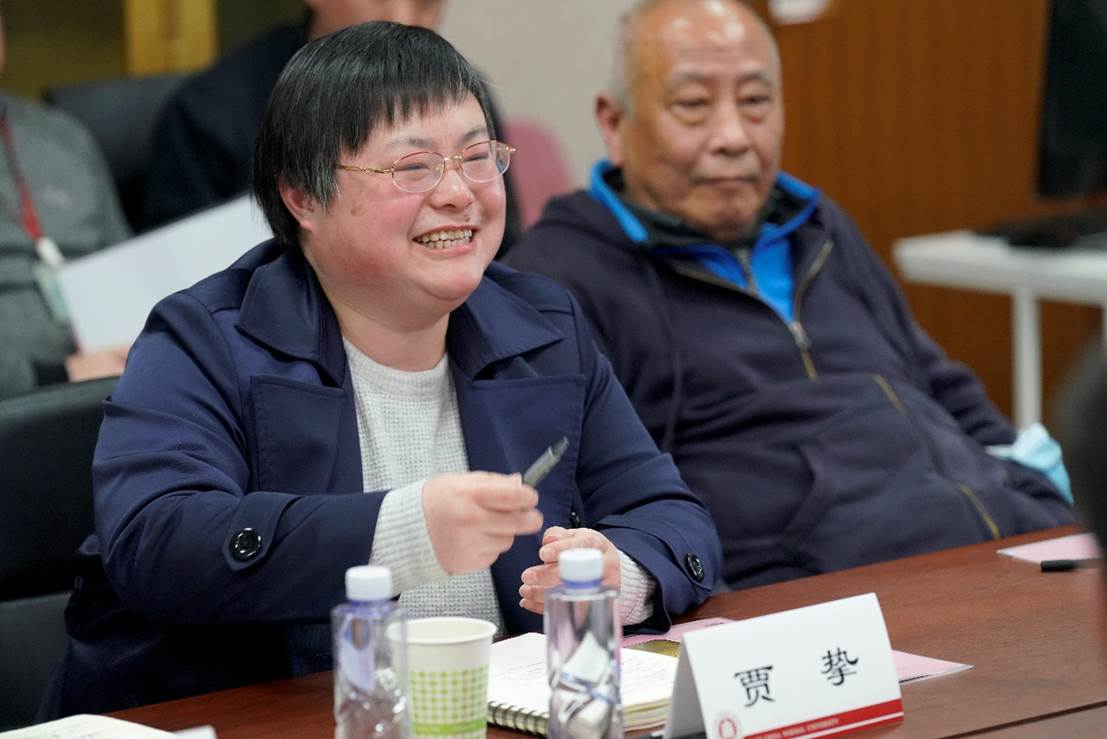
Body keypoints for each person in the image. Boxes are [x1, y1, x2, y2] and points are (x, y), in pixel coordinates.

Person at [40, 21, 719, 717]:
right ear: (302, 196)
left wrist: (620, 572)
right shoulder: (203, 341)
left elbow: (670, 513)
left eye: (477, 157)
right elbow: (157, 542)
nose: (459, 193)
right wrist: (399, 532)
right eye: (413, 167)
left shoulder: (542, 327)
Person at [506, 0, 1073, 590]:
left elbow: (938, 384)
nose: (733, 137)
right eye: (693, 105)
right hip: (832, 597)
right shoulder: (559, 278)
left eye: (755, 101)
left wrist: (1042, 495)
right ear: (613, 122)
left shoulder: (818, 227)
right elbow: (599, 499)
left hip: (1006, 545)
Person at [140, 0, 522, 255]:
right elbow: (178, 272)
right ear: (299, 197)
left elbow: (502, 250)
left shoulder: (461, 94)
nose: (402, 19)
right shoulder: (210, 111)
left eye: (425, 3)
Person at [0, 9, 130, 399]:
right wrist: (54, 376)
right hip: (20, 401)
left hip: (117, 378)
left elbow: (126, 268)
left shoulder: (63, 136)